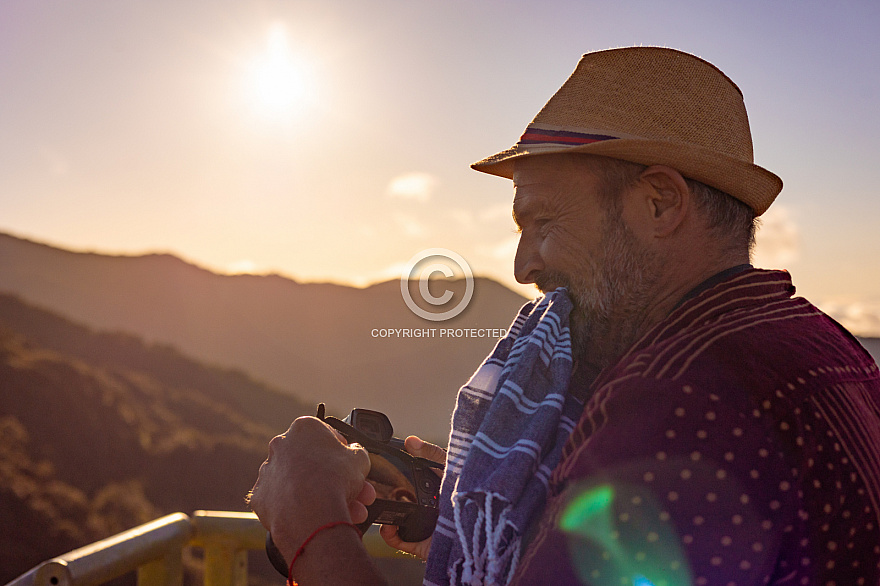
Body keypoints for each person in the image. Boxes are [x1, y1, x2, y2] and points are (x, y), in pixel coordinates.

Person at [248, 47, 880, 586]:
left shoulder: (680, 401)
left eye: (544, 223)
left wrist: (312, 526)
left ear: (660, 204)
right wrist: (493, 508)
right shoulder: (821, 345)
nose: (524, 266)